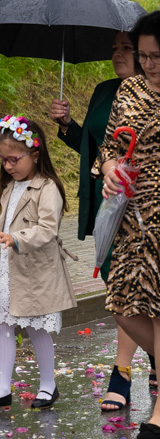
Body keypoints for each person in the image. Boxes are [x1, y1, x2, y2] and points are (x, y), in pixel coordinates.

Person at [95, 11, 160, 439]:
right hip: (130, 215)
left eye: (157, 56)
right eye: (143, 55)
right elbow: (108, 146)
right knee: (121, 307)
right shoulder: (129, 89)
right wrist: (109, 169)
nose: (149, 64)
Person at [48, 32, 156, 410]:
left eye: (126, 48)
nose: (117, 54)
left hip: (142, 209)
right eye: (115, 48)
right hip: (103, 204)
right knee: (123, 292)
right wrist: (67, 126)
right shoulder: (104, 89)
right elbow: (93, 149)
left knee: (124, 295)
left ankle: (122, 374)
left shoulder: (158, 94)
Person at [0, 116, 76, 410]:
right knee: (4, 323)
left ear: (35, 154)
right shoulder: (9, 186)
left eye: (14, 159)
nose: (8, 166)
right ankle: (3, 386)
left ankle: (48, 385)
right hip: (9, 268)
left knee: (35, 327)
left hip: (35, 272)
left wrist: (15, 238)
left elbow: (47, 229)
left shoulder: (47, 188)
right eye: (4, 160)